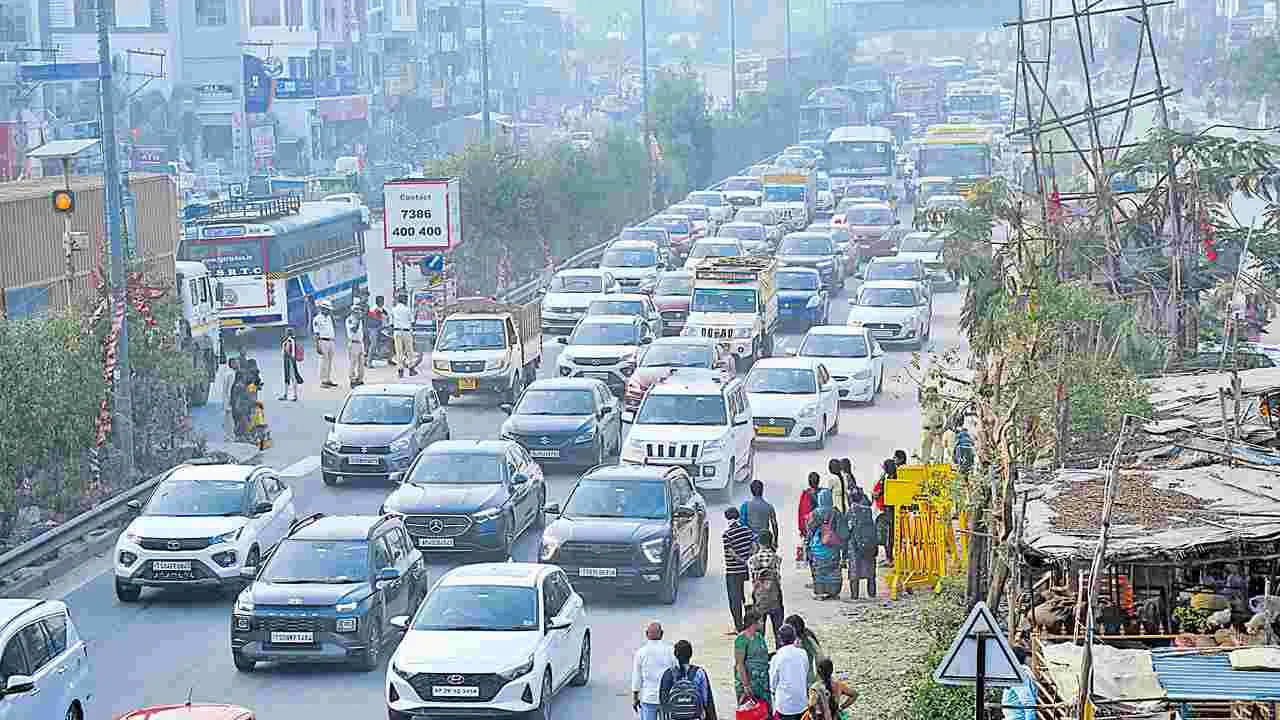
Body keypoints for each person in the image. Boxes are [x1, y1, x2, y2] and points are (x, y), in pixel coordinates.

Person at [659, 639, 716, 720]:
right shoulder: (699, 673)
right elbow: (707, 700)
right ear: (691, 654)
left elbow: (663, 701)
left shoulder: (668, 673)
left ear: (675, 654)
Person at [805, 488, 845, 600]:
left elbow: (809, 530)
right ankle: (834, 591)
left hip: (818, 550)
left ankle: (820, 592)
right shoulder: (836, 513)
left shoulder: (815, 513)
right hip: (833, 549)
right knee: (833, 571)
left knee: (819, 572)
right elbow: (843, 533)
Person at [632, 621, 675, 720]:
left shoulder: (640, 653)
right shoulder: (670, 650)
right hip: (666, 698)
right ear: (662, 634)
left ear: (646, 634)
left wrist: (635, 698)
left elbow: (637, 677)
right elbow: (676, 672)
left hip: (648, 698)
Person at [748, 529, 785, 644]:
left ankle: (761, 652)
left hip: (759, 599)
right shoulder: (777, 559)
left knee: (759, 632)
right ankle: (780, 651)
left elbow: (753, 581)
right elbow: (778, 579)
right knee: (778, 630)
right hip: (775, 598)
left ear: (758, 542)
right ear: (771, 541)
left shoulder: (752, 560)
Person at [722, 506, 755, 634]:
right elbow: (753, 546)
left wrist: (741, 560)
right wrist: (747, 560)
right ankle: (749, 625)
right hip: (746, 572)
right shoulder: (747, 530)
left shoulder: (727, 534)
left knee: (735, 600)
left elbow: (730, 552)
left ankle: (738, 626)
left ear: (727, 518)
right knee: (747, 599)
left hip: (733, 572)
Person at [768, 624, 810, 720]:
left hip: (784, 706)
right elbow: (805, 672)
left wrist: (774, 693)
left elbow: (773, 682)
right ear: (794, 637)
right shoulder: (803, 653)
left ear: (780, 639)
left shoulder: (777, 657)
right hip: (802, 703)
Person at [846, 480, 879, 600]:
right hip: (869, 544)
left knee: (854, 573)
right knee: (870, 572)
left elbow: (848, 529)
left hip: (855, 546)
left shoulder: (851, 511)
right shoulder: (869, 510)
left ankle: (855, 596)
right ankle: (872, 594)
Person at [733, 609, 771, 709]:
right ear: (753, 623)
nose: (762, 623)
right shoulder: (741, 639)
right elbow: (739, 664)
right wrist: (746, 685)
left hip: (762, 682)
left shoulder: (759, 636)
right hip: (749, 682)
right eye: (761, 621)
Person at [785, 614, 823, 684]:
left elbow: (819, 654)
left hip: (807, 675)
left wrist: (819, 675)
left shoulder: (807, 639)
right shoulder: (793, 638)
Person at [873, 459, 897, 565]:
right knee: (890, 534)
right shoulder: (895, 476)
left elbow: (882, 490)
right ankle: (889, 557)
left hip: (889, 510)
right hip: (892, 509)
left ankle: (889, 558)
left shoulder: (889, 478)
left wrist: (877, 494)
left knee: (888, 535)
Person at [390, 293, 417, 378]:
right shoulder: (407, 309)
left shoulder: (393, 309)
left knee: (399, 352)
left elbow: (391, 323)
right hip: (406, 332)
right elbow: (412, 322)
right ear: (405, 300)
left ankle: (400, 370)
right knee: (409, 351)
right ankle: (411, 369)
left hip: (397, 331)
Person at [312, 300, 337, 388]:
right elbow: (316, 334)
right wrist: (317, 346)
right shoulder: (317, 319)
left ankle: (328, 379)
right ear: (322, 309)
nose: (329, 311)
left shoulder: (329, 317)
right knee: (323, 362)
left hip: (331, 341)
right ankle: (323, 381)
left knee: (329, 361)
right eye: (327, 309)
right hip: (323, 341)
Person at [346, 300, 366, 387]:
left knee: (361, 362)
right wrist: (358, 321)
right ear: (352, 311)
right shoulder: (349, 320)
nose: (358, 312)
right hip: (353, 343)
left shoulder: (359, 320)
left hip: (360, 343)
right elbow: (353, 330)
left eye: (359, 310)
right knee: (353, 363)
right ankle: (352, 380)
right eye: (356, 311)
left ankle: (360, 378)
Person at [279, 328, 303, 401]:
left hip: (289, 360)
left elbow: (287, 352)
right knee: (289, 377)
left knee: (291, 377)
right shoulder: (291, 340)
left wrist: (291, 358)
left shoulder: (289, 340)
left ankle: (293, 395)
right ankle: (289, 394)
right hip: (290, 360)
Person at [798, 473, 821, 541]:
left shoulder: (805, 494)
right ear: (818, 481)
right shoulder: (823, 493)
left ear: (809, 482)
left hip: (808, 529)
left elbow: (801, 513)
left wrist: (802, 530)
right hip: (821, 530)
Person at [366, 295, 387, 366]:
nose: (383, 302)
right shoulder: (374, 309)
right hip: (373, 329)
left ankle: (386, 358)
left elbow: (384, 315)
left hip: (377, 328)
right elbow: (375, 319)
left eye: (383, 301)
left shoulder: (380, 308)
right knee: (373, 345)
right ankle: (369, 362)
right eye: (382, 301)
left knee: (384, 342)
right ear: (378, 302)